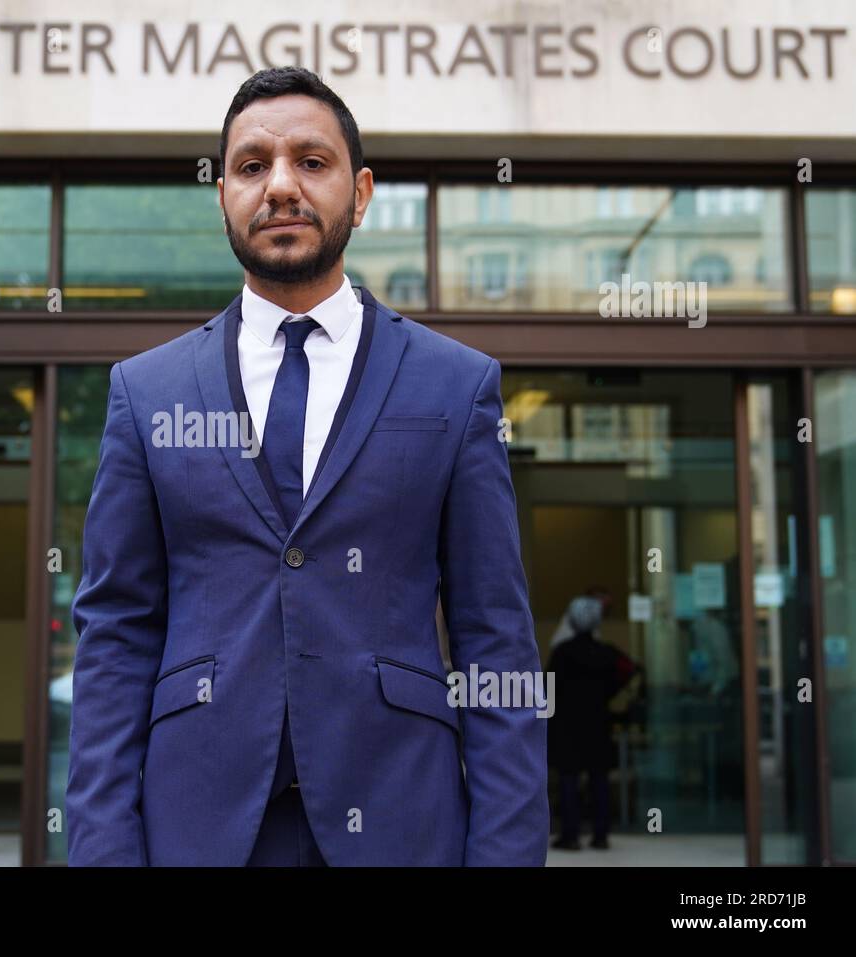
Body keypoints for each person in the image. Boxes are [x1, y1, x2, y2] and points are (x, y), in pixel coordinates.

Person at [65, 66, 547, 866]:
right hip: (197, 829)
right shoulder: (144, 393)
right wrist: (104, 848)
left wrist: (505, 852)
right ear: (222, 194)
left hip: (403, 824)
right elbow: (115, 636)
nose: (280, 186)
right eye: (252, 166)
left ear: (360, 194)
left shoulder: (456, 386)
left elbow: (496, 641)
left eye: (311, 162)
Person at [547, 596, 639, 850]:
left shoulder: (563, 652)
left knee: (568, 780)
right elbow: (631, 669)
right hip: (599, 722)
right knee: (599, 780)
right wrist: (609, 692)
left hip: (568, 725)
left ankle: (571, 834)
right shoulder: (606, 653)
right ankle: (601, 835)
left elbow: (549, 689)